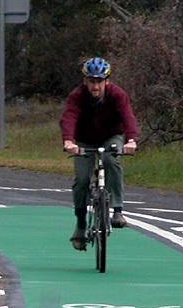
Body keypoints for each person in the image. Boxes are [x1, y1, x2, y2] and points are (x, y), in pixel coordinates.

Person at [59, 57, 138, 250]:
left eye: (99, 81)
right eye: (92, 81)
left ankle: (117, 210)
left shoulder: (117, 95)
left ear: (107, 81)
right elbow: (69, 117)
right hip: (85, 139)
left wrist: (131, 140)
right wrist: (68, 141)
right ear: (85, 81)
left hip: (110, 136)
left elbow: (127, 116)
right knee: (82, 179)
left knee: (111, 161)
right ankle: (80, 224)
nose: (95, 86)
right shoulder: (77, 96)